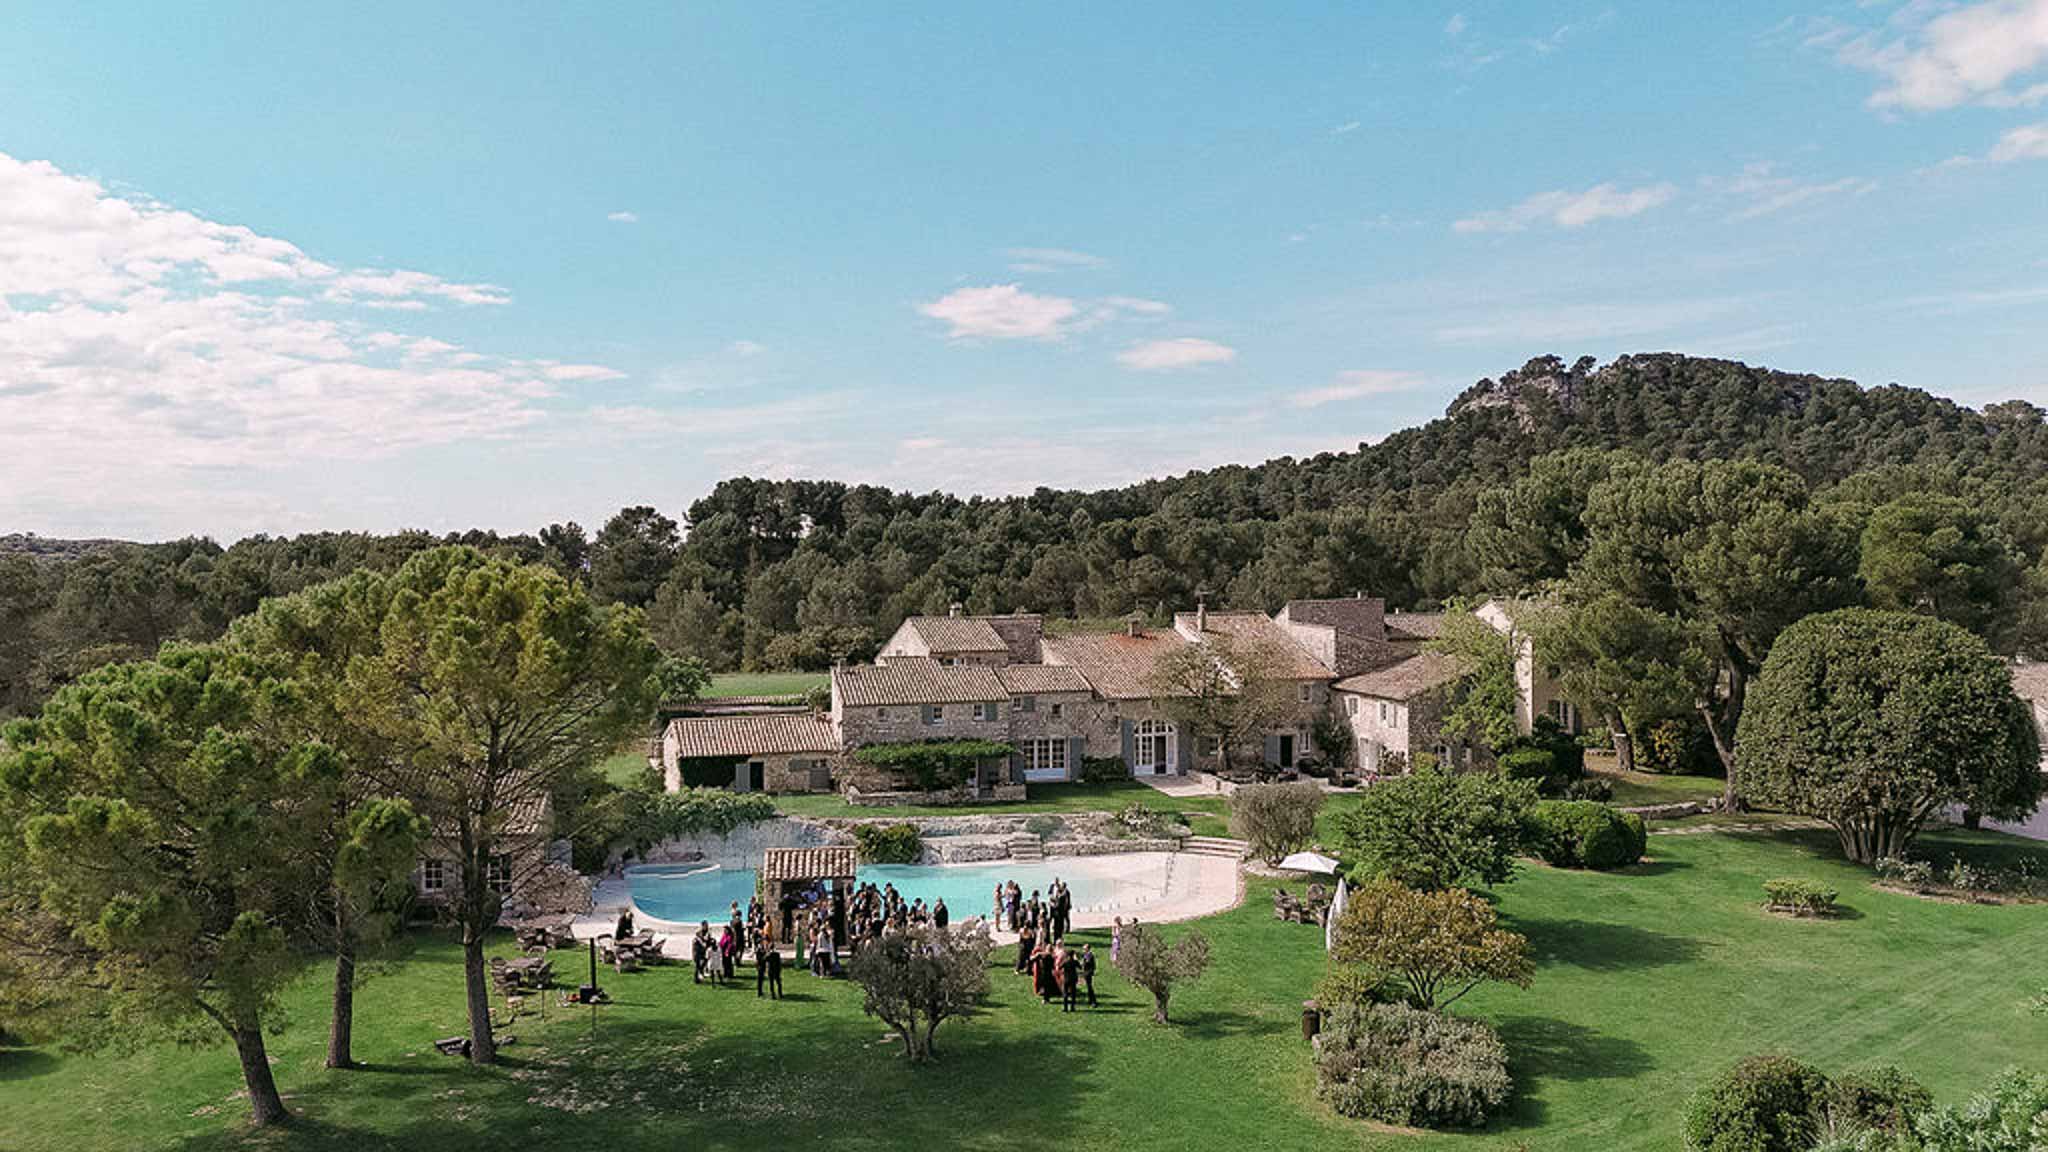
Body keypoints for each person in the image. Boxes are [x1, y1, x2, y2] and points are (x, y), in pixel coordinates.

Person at [1058, 945, 1081, 1013]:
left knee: (1065, 993)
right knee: (1073, 993)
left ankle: (1065, 1008)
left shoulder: (1065, 961)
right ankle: (1072, 1007)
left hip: (1066, 978)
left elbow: (1059, 967)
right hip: (1073, 978)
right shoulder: (1075, 962)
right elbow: (1080, 967)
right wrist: (1076, 959)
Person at [1080, 943, 1098, 1007]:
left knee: (1090, 987)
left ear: (1088, 949)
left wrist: (1083, 963)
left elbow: (1089, 964)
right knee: (1088, 987)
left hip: (1088, 973)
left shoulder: (1089, 955)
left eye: (1084, 949)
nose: (1083, 950)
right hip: (1086, 972)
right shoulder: (1086, 955)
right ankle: (1090, 1000)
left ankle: (1093, 1001)